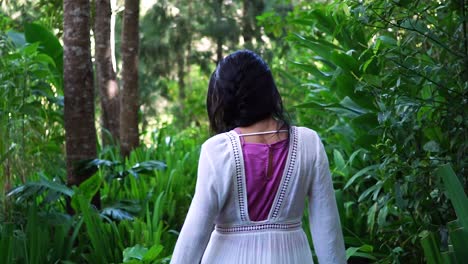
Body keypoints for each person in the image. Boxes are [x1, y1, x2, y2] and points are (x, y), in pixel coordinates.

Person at [170, 50, 346, 264]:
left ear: (225, 97)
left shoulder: (217, 150)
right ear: (268, 90)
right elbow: (328, 230)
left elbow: (194, 236)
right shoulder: (309, 143)